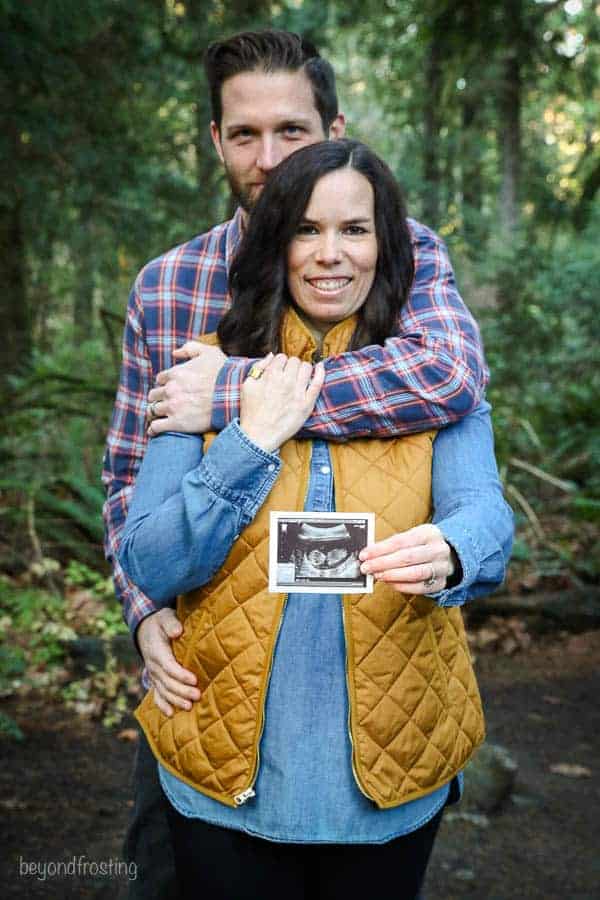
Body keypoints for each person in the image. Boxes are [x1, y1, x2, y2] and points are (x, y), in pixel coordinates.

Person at [101, 29, 491, 899]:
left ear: (335, 127)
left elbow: (450, 376)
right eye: (245, 134)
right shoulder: (169, 285)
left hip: (363, 667)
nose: (270, 158)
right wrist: (142, 613)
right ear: (215, 140)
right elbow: (128, 475)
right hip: (208, 673)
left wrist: (236, 391)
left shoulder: (398, 248)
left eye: (293, 132)